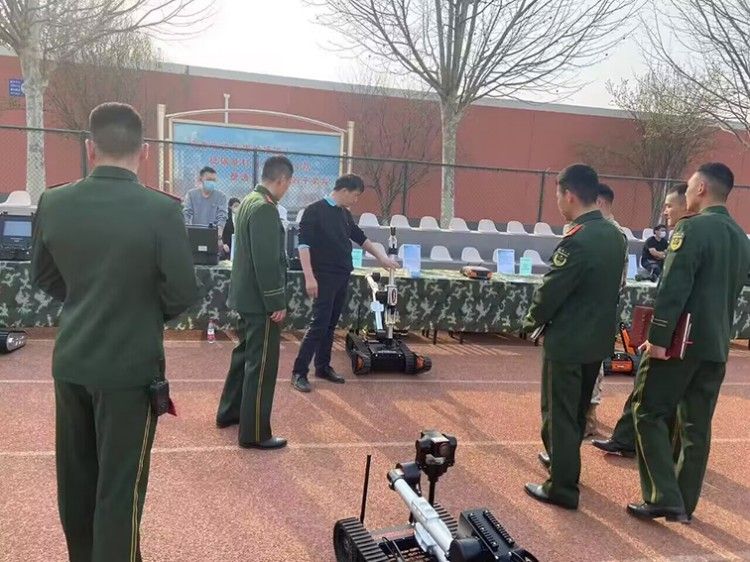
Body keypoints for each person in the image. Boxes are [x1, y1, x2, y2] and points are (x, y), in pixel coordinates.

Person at [31, 102, 198, 561]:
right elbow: (183, 291)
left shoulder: (54, 202)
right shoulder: (161, 210)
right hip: (129, 368)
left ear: (91, 148)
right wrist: (137, 312)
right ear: (144, 152)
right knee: (119, 491)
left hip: (72, 361)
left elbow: (43, 276)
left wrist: (88, 299)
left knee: (77, 483)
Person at [627, 163, 750, 523]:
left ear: (701, 189)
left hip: (681, 342)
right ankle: (684, 502)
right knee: (696, 426)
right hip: (716, 343)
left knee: (648, 410)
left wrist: (658, 338)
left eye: (691, 184)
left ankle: (663, 495)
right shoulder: (740, 238)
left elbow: (674, 287)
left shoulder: (691, 229)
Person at [522, 164, 626, 510]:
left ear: (569, 194)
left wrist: (531, 320)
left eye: (558, 195)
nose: (558, 202)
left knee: (559, 413)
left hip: (568, 340)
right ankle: (564, 462)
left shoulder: (578, 238)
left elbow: (553, 289)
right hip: (597, 339)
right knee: (577, 410)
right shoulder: (614, 235)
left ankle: (562, 487)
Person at [592, 182, 691, 458]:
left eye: (669, 205)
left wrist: (658, 336)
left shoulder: (687, 234)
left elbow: (673, 290)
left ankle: (646, 449)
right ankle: (631, 440)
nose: (665, 211)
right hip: (687, 333)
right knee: (655, 389)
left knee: (650, 388)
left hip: (675, 333)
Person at [290, 174, 399, 392]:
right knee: (319, 324)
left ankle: (322, 367)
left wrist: (382, 258)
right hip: (323, 276)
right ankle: (299, 372)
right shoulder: (314, 211)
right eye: (355, 195)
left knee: (330, 324)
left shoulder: (344, 214)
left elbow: (361, 238)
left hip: (342, 275)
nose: (355, 200)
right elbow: (303, 246)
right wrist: (309, 277)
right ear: (344, 190)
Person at [216, 155, 292, 449]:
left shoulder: (249, 200)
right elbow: (266, 261)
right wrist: (276, 301)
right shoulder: (264, 208)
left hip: (246, 297)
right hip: (261, 302)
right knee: (261, 367)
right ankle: (255, 433)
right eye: (288, 184)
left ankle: (230, 412)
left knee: (244, 358)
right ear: (282, 180)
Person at [585, 183, 629, 437]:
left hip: (599, 310)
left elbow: (616, 280)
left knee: (593, 364)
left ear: (600, 203)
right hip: (594, 309)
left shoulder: (612, 234)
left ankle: (588, 416)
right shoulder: (602, 231)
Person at [183, 166, 228, 253]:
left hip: (212, 236)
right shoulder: (191, 195)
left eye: (214, 180)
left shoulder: (221, 196)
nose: (211, 182)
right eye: (209, 179)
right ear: (201, 179)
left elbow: (222, 217)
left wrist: (219, 237)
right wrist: (186, 234)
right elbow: (186, 214)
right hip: (194, 235)